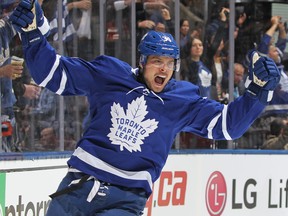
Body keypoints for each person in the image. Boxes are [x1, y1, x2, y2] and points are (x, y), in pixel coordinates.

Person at [9, 1, 281, 215]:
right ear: (142, 61)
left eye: (170, 63)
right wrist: (33, 35)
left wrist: (257, 91)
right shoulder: (110, 74)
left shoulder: (182, 99)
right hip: (77, 189)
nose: (164, 68)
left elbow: (228, 126)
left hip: (125, 202)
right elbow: (53, 75)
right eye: (156, 61)